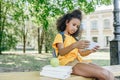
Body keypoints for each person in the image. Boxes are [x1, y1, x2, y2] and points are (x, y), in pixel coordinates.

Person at [52, 9, 114, 80]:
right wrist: (74, 45)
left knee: (108, 73)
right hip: (67, 64)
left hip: (78, 61)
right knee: (104, 74)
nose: (75, 28)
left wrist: (90, 50)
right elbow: (61, 52)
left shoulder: (75, 39)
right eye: (74, 25)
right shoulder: (60, 36)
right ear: (67, 22)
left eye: (77, 26)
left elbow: (81, 53)